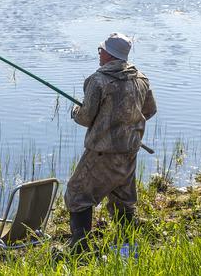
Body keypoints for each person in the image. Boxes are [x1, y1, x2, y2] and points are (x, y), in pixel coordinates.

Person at [65, 33, 157, 251]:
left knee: (77, 194)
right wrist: (126, 123)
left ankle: (80, 249)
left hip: (102, 153)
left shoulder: (97, 81)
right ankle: (127, 246)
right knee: (123, 198)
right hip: (129, 151)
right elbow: (150, 110)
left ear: (109, 54)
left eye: (101, 50)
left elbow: (85, 117)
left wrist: (75, 111)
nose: (99, 53)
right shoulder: (141, 79)